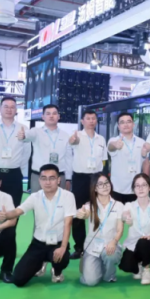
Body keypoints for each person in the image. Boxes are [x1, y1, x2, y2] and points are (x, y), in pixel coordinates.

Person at [0, 164, 77, 287]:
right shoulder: (35, 196)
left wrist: (63, 247)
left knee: (62, 258)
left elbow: (68, 223)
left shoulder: (68, 196)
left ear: (58, 180)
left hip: (58, 243)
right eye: (44, 178)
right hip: (38, 244)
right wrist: (7, 215)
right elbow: (19, 210)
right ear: (39, 180)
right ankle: (40, 263)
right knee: (18, 279)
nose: (47, 182)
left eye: (52, 178)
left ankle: (57, 271)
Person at [68, 110, 108, 259]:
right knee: (78, 214)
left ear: (96, 121)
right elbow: (72, 142)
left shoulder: (101, 139)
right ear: (82, 121)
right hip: (80, 179)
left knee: (99, 212)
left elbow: (104, 160)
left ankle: (98, 244)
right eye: (88, 118)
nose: (91, 121)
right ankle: (79, 247)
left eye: (93, 118)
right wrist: (73, 139)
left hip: (97, 179)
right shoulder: (77, 136)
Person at [76, 173, 124, 286]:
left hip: (110, 245)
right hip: (92, 247)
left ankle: (110, 275)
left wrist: (114, 241)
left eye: (107, 183)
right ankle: (96, 266)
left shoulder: (118, 205)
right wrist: (81, 213)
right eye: (100, 184)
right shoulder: (89, 205)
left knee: (110, 256)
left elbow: (120, 229)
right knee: (90, 282)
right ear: (95, 188)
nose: (105, 186)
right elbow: (84, 213)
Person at [119, 173, 150, 285]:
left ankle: (147, 269)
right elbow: (124, 215)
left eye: (144, 185)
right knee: (125, 266)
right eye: (137, 186)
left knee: (143, 242)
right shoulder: (129, 205)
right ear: (133, 189)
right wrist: (126, 217)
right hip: (133, 245)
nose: (140, 188)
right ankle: (139, 264)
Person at [19, 104, 72, 192]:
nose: (51, 116)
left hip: (59, 177)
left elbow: (68, 158)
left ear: (58, 116)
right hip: (38, 176)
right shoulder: (36, 131)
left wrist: (68, 178)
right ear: (43, 117)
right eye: (48, 113)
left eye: (54, 113)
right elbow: (27, 135)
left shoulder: (65, 135)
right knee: (37, 200)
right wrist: (23, 135)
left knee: (59, 200)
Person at [108, 112, 145, 204]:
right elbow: (110, 147)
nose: (126, 124)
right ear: (118, 126)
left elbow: (145, 162)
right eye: (122, 122)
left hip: (136, 188)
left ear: (133, 124)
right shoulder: (113, 140)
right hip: (117, 188)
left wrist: (145, 181)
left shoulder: (141, 142)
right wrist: (115, 145)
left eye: (128, 121)